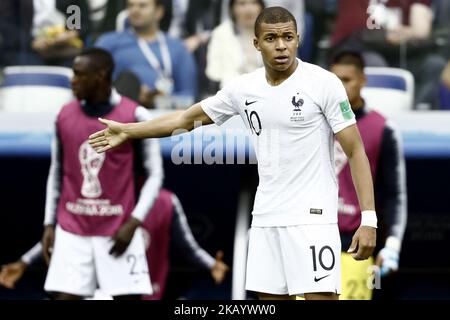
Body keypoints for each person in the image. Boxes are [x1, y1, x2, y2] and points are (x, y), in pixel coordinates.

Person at [89, 6, 377, 300]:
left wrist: (369, 220)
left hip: (312, 218)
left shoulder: (324, 83)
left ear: (298, 39)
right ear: (257, 43)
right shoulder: (243, 89)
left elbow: (355, 151)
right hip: (266, 216)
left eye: (288, 37)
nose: (280, 46)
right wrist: (128, 131)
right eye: (271, 38)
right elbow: (185, 120)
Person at [41, 47, 164, 300]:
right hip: (71, 227)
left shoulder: (136, 115)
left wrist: (134, 222)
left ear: (101, 76)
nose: (72, 80)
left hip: (119, 228)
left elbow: (155, 175)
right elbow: (57, 172)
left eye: (78, 74)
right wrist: (49, 223)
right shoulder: (63, 114)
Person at [0, 189, 229, 299]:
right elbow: (63, 236)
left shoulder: (166, 201)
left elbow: (188, 247)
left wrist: (211, 265)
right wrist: (23, 263)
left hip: (144, 294)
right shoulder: (97, 199)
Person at [330, 50, 407, 300]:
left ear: (363, 80)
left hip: (357, 249)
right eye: (335, 80)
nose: (340, 87)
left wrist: (392, 244)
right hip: (313, 242)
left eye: (347, 80)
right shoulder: (314, 123)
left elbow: (396, 193)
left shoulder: (383, 128)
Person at [95, 0, 197, 109]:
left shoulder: (178, 48)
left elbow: (189, 98)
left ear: (159, 12)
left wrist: (156, 101)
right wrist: (130, 93)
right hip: (119, 115)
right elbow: (91, 85)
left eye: (142, 6)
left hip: (165, 119)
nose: (135, 10)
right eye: (130, 5)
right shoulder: (108, 43)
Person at [206, 0, 265, 88]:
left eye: (254, 3)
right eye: (242, 4)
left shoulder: (273, 31)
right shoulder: (220, 33)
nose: (249, 9)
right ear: (232, 8)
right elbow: (213, 73)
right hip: (231, 92)